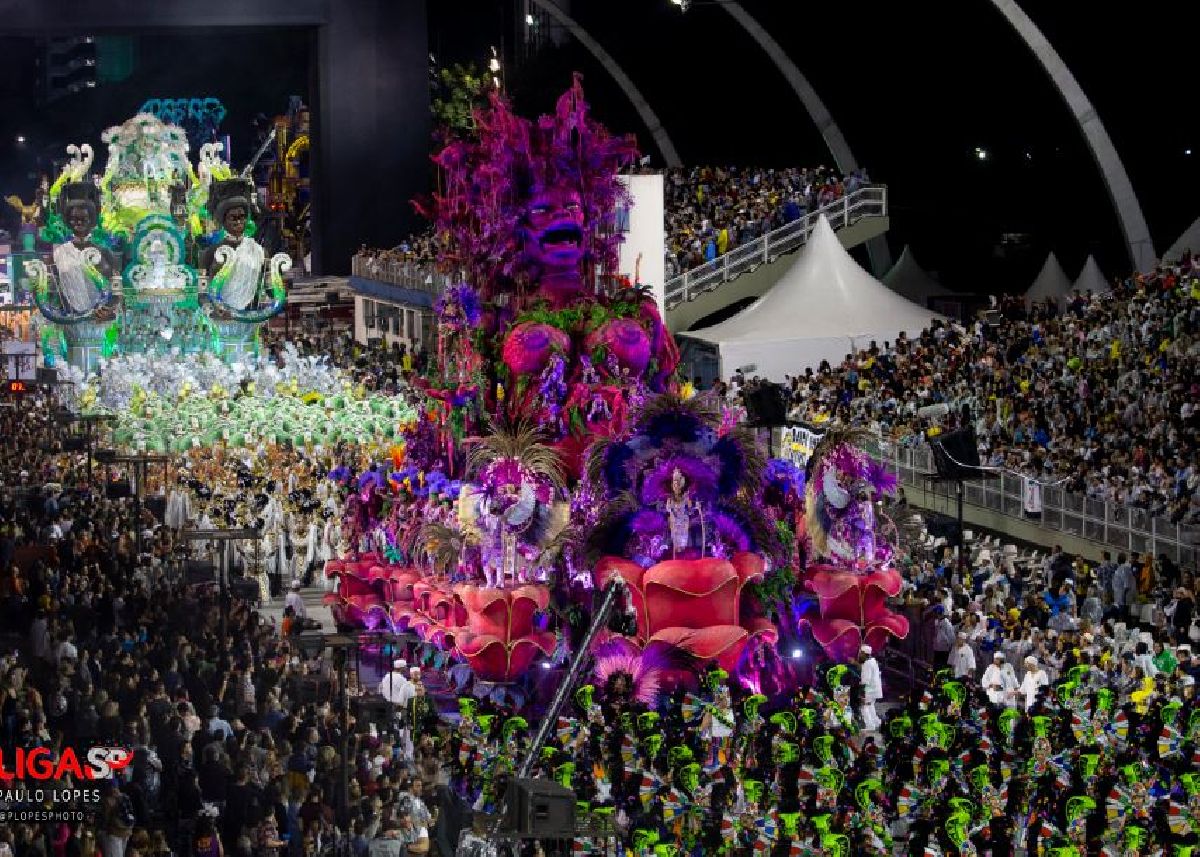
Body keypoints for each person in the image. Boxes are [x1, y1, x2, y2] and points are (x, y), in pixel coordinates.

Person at [857, 645, 882, 731]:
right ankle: (876, 722)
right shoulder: (873, 661)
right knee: (870, 705)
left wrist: (862, 694)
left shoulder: (867, 664)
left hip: (869, 689)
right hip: (875, 689)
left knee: (864, 707)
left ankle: (870, 726)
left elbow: (865, 680)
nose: (859, 655)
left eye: (861, 653)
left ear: (864, 653)